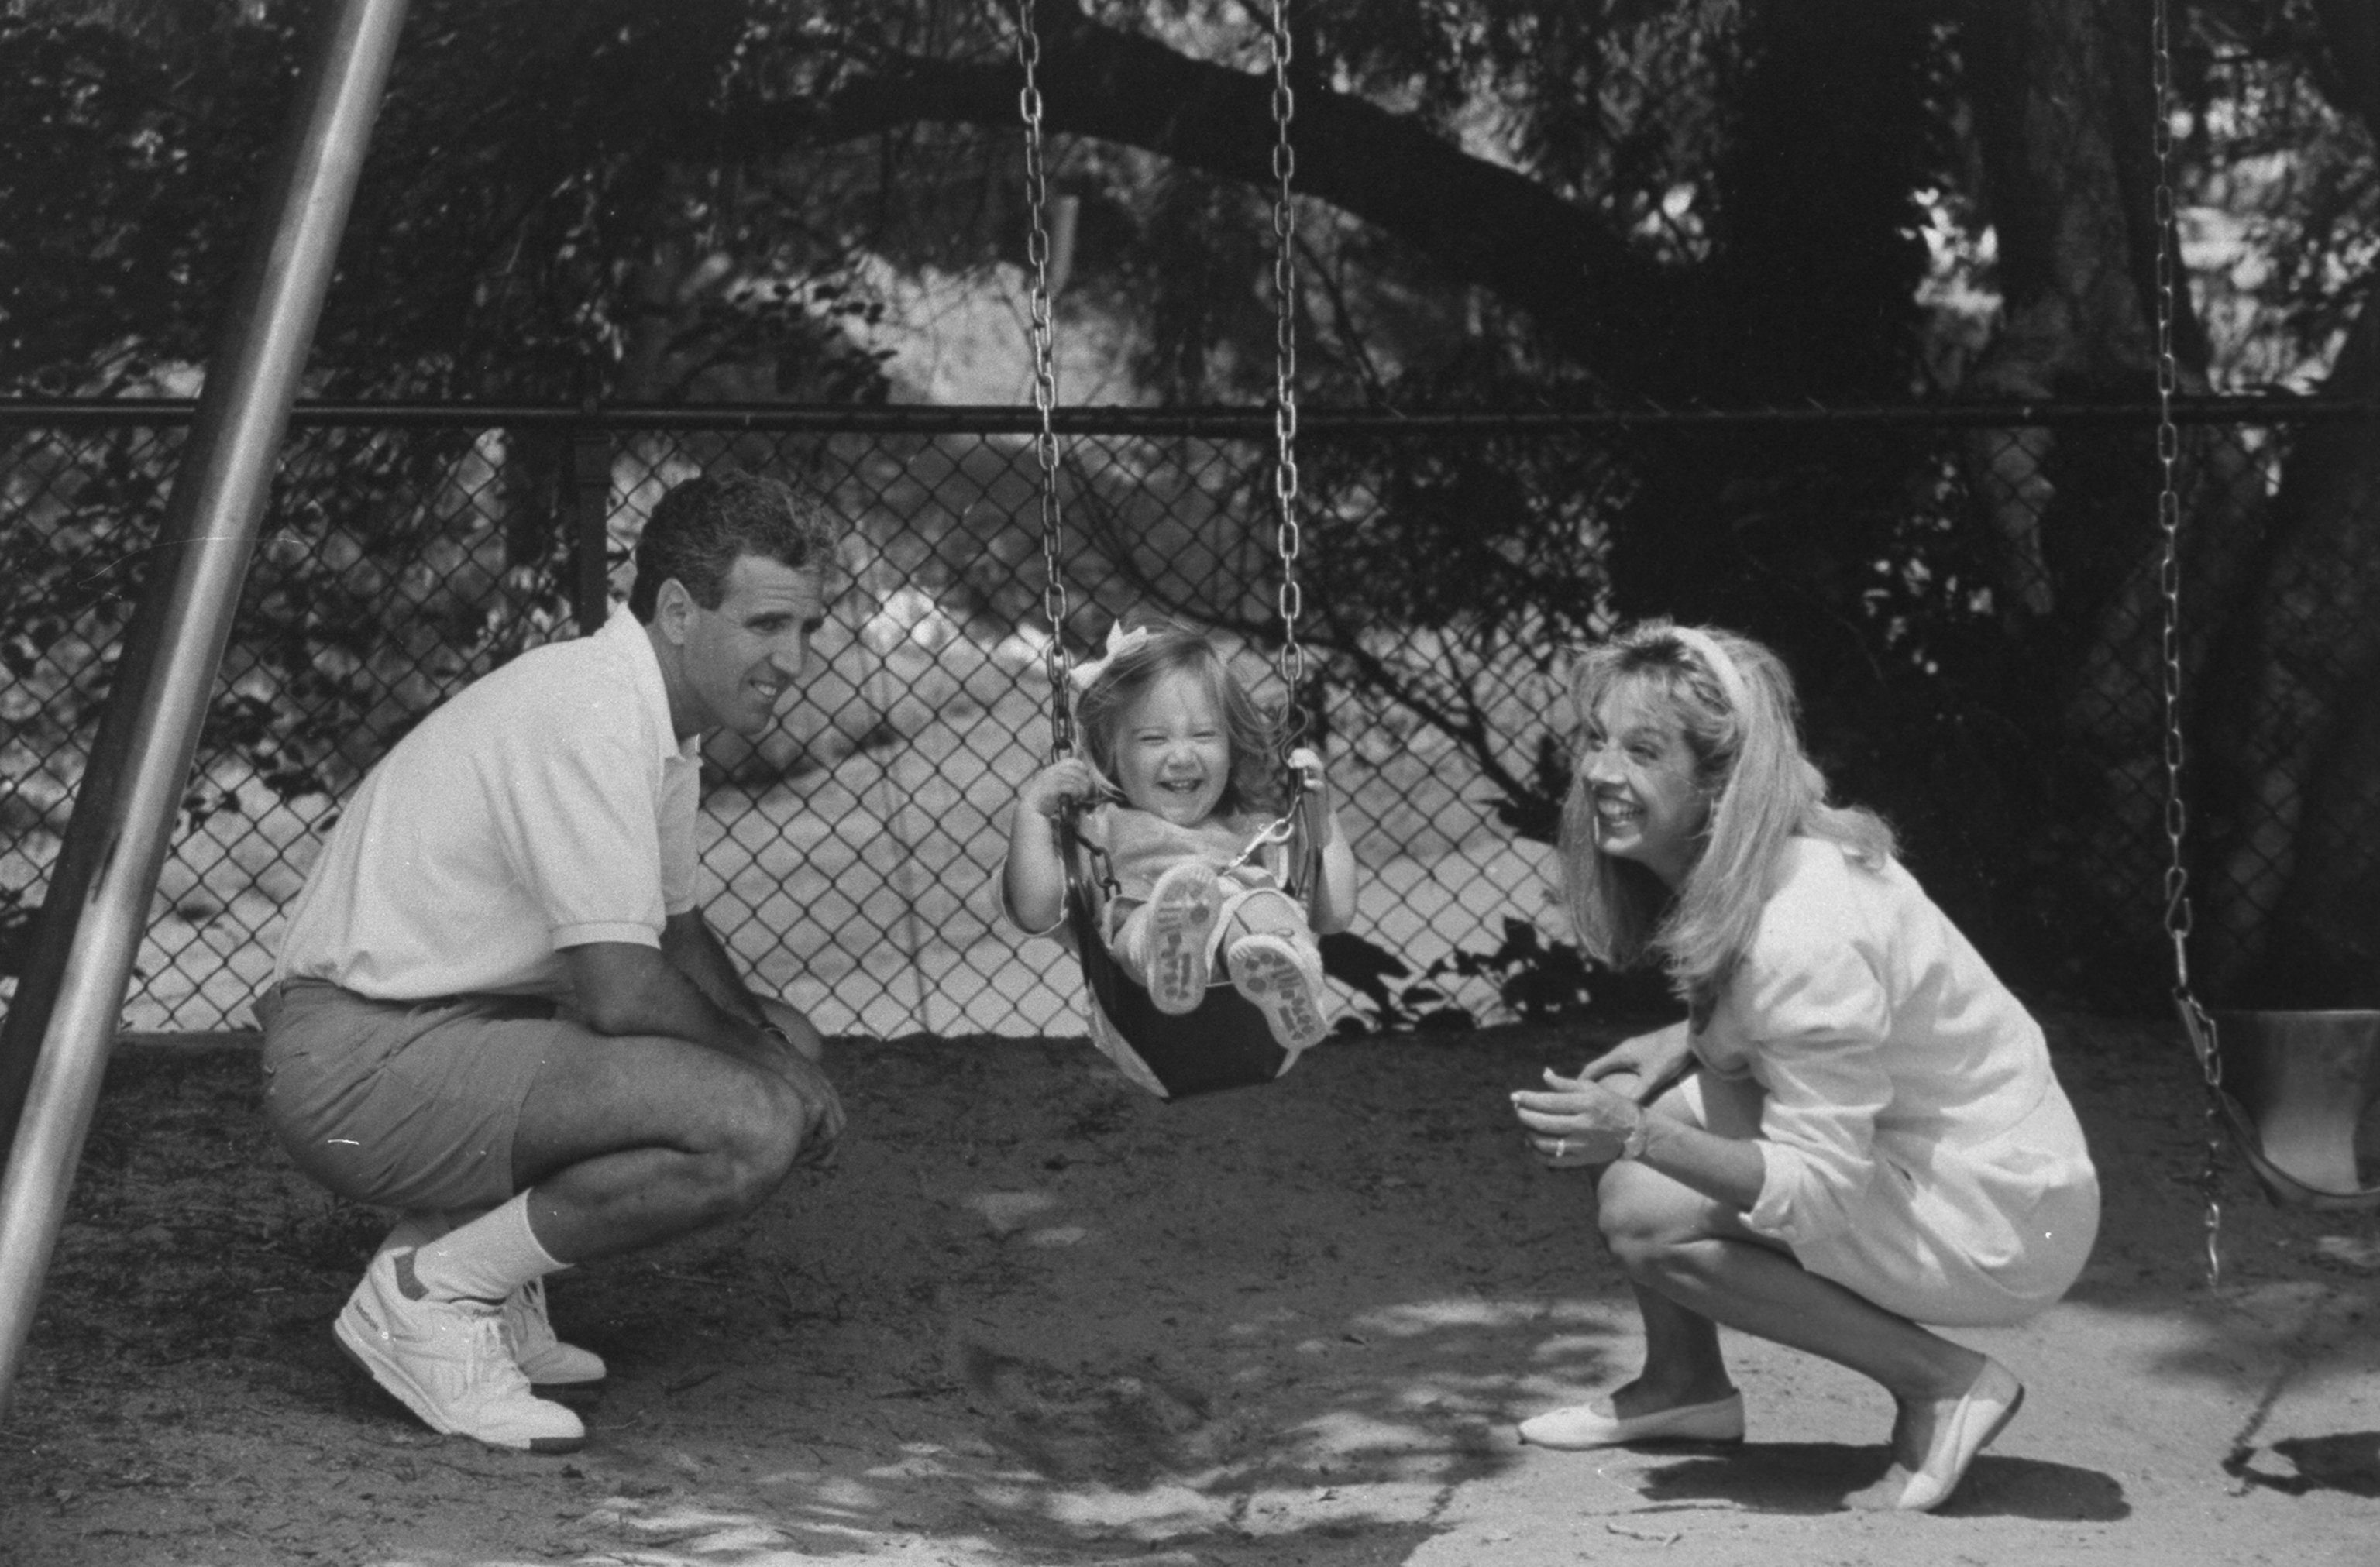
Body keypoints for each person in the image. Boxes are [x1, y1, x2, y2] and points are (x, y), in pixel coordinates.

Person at [257, 469, 849, 1455]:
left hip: (442, 1028)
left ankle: (472, 1266)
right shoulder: (590, 710)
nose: (792, 658)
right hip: (355, 1057)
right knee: (748, 1119)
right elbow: (622, 989)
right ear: (675, 610)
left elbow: (677, 931)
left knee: (785, 1041)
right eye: (766, 625)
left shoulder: (652, 714)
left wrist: (774, 1047)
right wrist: (771, 1073)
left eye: (807, 629)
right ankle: (430, 1293)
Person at [1508, 620, 2100, 1513]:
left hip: (2000, 1215)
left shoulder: (1802, 925)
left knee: (1645, 1203)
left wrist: (1635, 1128)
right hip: (1943, 1157)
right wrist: (1684, 1042)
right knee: (1645, 1173)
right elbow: (1813, 1024)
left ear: (1720, 782)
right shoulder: (1770, 868)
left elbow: (1816, 1187)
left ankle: (1942, 1382)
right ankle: (1685, 1387)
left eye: (1641, 749)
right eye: (1595, 740)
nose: (1597, 771)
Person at [1003, 617, 1357, 1059]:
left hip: (1254, 1029)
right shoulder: (1100, 829)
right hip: (1148, 1024)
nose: (1182, 756)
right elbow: (1036, 910)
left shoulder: (1255, 827)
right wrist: (1033, 814)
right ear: (1110, 752)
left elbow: (1335, 913)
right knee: (1144, 922)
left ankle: (1282, 977)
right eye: (1154, 739)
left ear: (1231, 745)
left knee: (1264, 908)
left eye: (1205, 735)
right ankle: (1172, 952)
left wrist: (1322, 819)